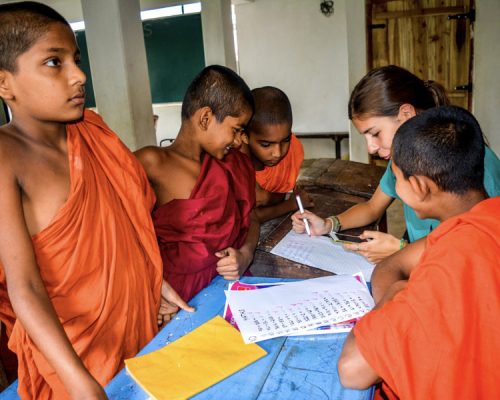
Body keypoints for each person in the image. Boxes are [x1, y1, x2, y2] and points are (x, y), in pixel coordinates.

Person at [0, 2, 191, 398]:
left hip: (137, 326)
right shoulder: (5, 156)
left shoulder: (93, 131)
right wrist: (79, 382)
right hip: (74, 356)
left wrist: (152, 283)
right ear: (5, 84)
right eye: (54, 62)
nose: (79, 76)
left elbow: (126, 222)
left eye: (76, 59)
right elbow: (25, 289)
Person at [337, 106, 500, 399]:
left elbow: (352, 370)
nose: (395, 187)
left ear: (419, 187)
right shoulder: (478, 223)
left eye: (396, 178)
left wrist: (397, 295)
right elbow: (391, 265)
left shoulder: (449, 264)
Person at [292, 65, 500, 263]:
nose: (370, 148)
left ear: (407, 115)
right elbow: (373, 207)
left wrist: (401, 250)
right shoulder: (400, 160)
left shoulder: (476, 167)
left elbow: (478, 253)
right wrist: (329, 224)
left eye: (375, 133)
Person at [135, 65, 260, 303]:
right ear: (205, 118)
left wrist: (246, 254)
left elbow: (251, 216)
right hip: (175, 296)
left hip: (231, 286)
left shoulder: (234, 165)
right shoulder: (152, 163)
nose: (236, 141)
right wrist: (153, 286)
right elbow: (120, 232)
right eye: (235, 130)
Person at [237, 86, 313, 222]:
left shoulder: (292, 151)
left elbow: (278, 196)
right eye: (266, 145)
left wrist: (266, 198)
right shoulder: (235, 161)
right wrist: (292, 204)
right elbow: (253, 216)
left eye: (285, 140)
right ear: (244, 136)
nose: (278, 153)